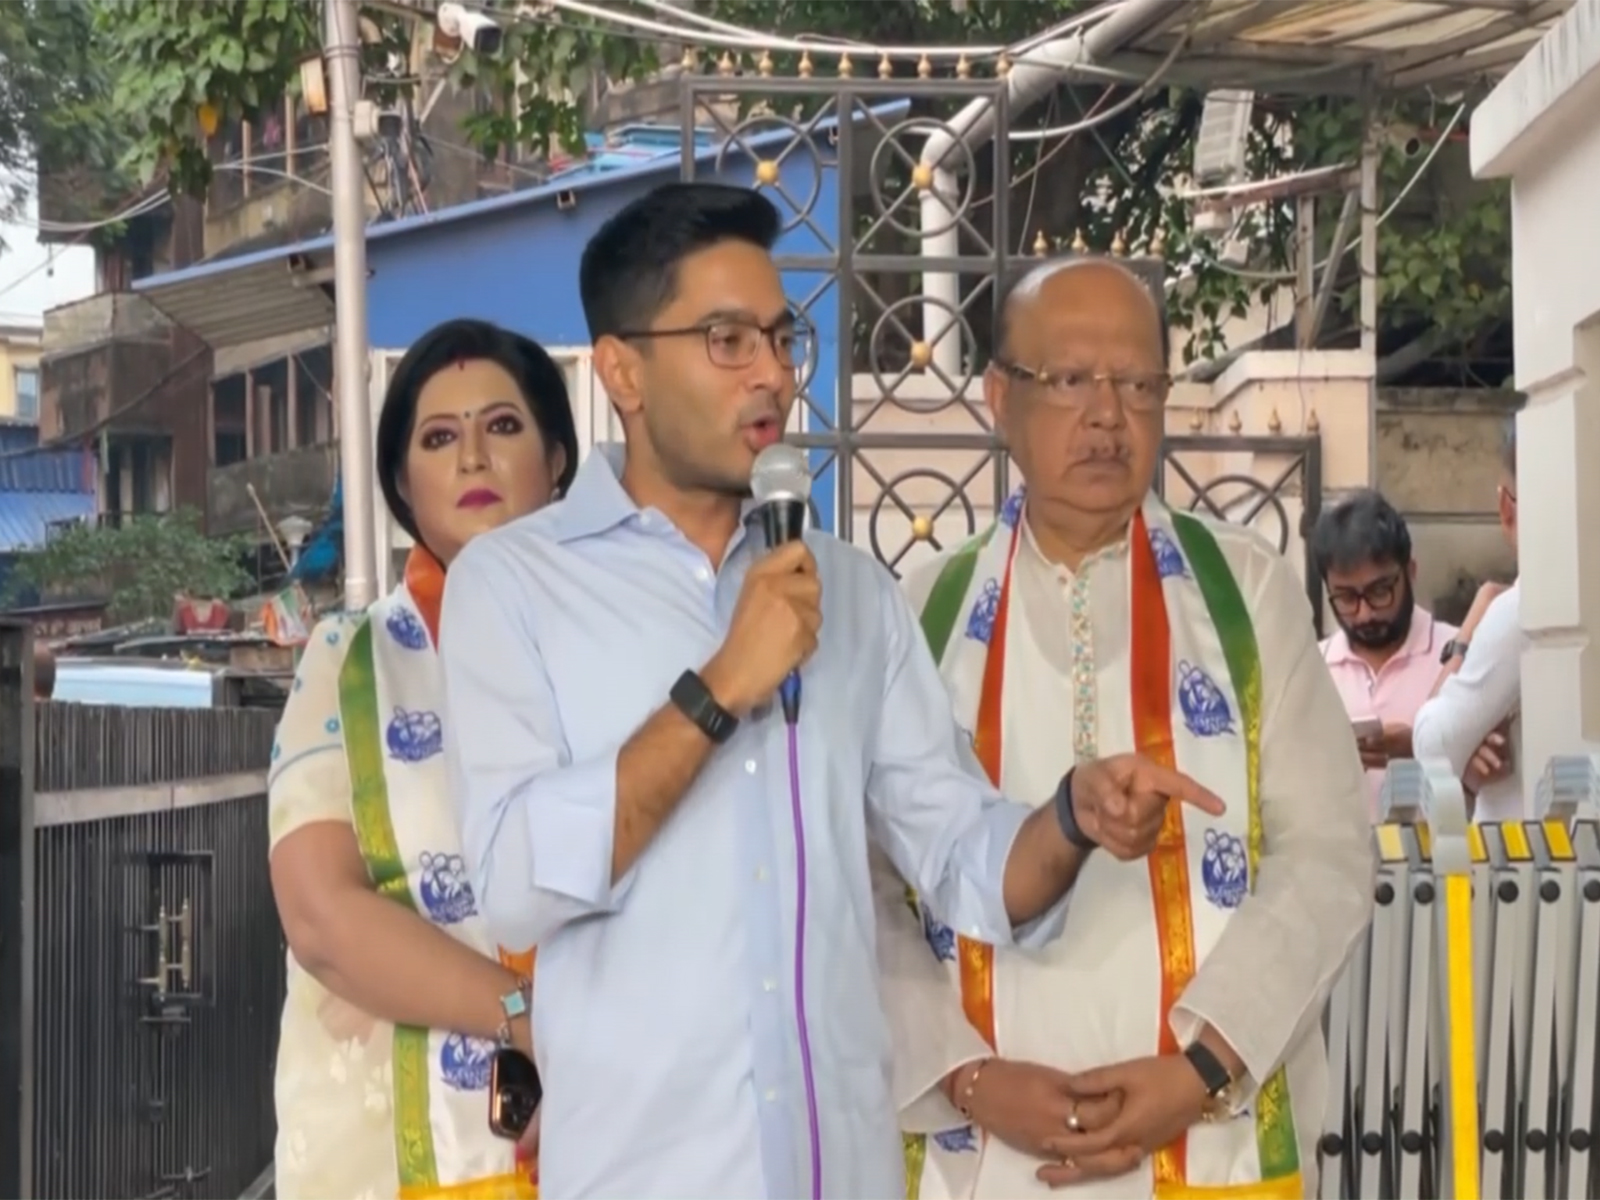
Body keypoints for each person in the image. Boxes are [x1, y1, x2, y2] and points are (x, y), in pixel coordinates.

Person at [438, 184, 1223, 1200]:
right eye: (726, 340)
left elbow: (960, 859)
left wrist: (1070, 818)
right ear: (623, 370)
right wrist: (721, 686)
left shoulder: (848, 589)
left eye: (780, 336)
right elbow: (513, 878)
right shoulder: (513, 585)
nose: (771, 374)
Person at [878, 257, 1374, 1199]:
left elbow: (1329, 856)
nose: (1109, 415)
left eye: (1139, 384)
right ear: (998, 397)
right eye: (1070, 380)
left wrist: (1199, 1072)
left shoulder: (1248, 592)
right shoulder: (919, 616)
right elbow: (863, 888)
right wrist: (968, 1081)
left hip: (1205, 1134)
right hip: (983, 1152)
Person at [266, 318, 578, 1200]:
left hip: (618, 1137)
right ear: (404, 483)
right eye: (440, 438)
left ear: (557, 458)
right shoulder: (348, 662)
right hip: (384, 1164)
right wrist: (525, 1016)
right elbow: (323, 918)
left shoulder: (628, 653)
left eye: (503, 427)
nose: (473, 458)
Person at [1311, 490, 1467, 816]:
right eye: (1346, 597)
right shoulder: (1311, 668)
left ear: (1410, 572)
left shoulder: (1461, 655)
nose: (1365, 614)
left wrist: (1421, 746)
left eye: (1380, 591)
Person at [1414, 416, 1524, 821]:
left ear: (1506, 508)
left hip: (1526, 871)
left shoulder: (1522, 609)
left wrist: (1466, 635)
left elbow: (1432, 743)